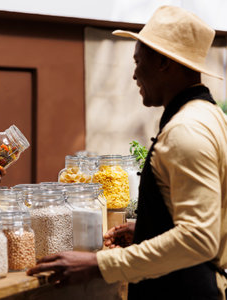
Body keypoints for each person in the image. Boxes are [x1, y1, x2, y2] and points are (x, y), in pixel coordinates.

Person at [27, 5, 227, 300]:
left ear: (163, 63)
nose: (134, 74)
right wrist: (150, 231)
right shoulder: (210, 117)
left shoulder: (186, 131)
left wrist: (99, 264)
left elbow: (199, 239)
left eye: (138, 61)